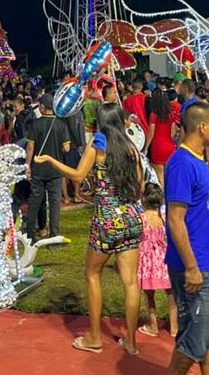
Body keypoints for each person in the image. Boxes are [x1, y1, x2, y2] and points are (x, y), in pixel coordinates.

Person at [36, 102, 144, 355]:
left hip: (106, 219)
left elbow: (77, 175)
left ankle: (95, 337)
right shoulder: (131, 148)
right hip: (131, 216)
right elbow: (139, 187)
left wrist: (51, 159)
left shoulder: (97, 145)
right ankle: (131, 341)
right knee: (130, 282)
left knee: (92, 274)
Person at [164, 102, 209, 375]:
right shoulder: (181, 163)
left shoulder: (200, 160)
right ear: (201, 127)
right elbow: (175, 219)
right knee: (194, 340)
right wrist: (190, 266)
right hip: (194, 265)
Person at [24, 94, 70, 242]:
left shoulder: (35, 124)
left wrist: (28, 166)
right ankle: (54, 235)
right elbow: (67, 148)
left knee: (35, 201)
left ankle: (30, 234)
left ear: (42, 107)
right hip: (55, 170)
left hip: (38, 169)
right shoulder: (61, 124)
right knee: (55, 203)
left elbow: (30, 147)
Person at [137, 183, 177, 337]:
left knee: (149, 295)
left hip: (146, 262)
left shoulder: (141, 218)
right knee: (171, 294)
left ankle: (153, 325)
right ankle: (174, 327)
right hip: (163, 259)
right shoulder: (164, 217)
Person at [146, 88, 178, 186]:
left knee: (160, 177)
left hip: (157, 147)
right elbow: (173, 133)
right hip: (169, 146)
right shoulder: (171, 114)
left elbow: (151, 132)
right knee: (170, 177)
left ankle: (162, 199)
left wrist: (146, 147)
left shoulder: (153, 115)